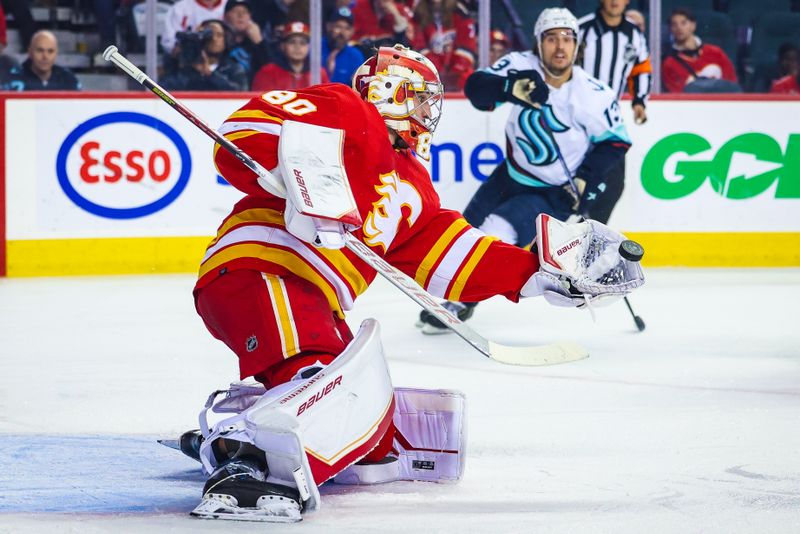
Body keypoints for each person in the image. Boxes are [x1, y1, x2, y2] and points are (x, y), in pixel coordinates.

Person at [187, 43, 642, 521]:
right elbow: (243, 132)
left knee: (370, 430)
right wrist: (307, 180)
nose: (429, 112)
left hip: (316, 299)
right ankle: (251, 461)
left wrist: (537, 273)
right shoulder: (345, 107)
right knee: (318, 378)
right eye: (422, 97)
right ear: (390, 90)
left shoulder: (412, 185)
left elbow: (454, 255)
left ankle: (246, 423)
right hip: (261, 267)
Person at [418, 8, 631, 333]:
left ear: (577, 45)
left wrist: (586, 175)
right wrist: (510, 88)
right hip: (511, 173)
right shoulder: (521, 66)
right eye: (551, 39)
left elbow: (616, 143)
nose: (559, 47)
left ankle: (461, 303)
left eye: (567, 39)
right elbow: (476, 88)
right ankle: (456, 294)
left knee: (496, 231)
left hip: (553, 190)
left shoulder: (594, 94)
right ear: (538, 43)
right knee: (466, 229)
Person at [576, 0, 650, 225]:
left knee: (614, 182)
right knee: (571, 178)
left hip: (610, 119)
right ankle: (574, 227)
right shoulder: (581, 29)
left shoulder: (634, 34)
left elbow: (641, 69)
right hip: (576, 116)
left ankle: (591, 229)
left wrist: (639, 100)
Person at [661, 8, 738, 93]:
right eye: (674, 24)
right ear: (670, 29)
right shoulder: (669, 64)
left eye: (683, 23)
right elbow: (676, 96)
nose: (679, 28)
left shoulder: (716, 52)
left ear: (693, 25)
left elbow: (732, 84)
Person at [160, 19, 249, 91]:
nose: (214, 39)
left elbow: (240, 93)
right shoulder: (184, 66)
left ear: (226, 40)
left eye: (219, 35)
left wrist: (210, 74)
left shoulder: (233, 68)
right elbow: (164, 91)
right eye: (210, 35)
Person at [411, 0, 476, 92]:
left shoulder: (459, 11)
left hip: (456, 70)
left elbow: (467, 45)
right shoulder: (417, 13)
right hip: (429, 71)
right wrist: (435, 69)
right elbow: (418, 45)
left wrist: (455, 71)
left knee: (469, 78)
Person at [251, 21, 330, 92]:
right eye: (292, 42)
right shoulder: (268, 72)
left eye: (302, 43)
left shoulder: (319, 73)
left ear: (308, 47)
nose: (297, 47)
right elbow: (261, 102)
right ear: (283, 46)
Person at [2, 30, 81, 91]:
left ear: (56, 54)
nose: (45, 56)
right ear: (30, 52)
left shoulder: (68, 79)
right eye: (40, 50)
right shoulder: (13, 79)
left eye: (50, 51)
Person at [224, 0, 272, 80]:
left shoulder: (256, 43)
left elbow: (270, 70)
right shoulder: (220, 41)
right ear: (226, 16)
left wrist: (259, 42)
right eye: (235, 11)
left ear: (250, 17)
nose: (241, 15)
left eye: (245, 12)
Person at [161, 0, 228, 55]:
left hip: (227, 59)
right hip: (187, 64)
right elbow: (170, 44)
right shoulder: (180, 8)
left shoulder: (231, 5)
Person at [322, 6, 365, 85]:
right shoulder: (315, 48)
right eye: (338, 26)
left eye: (347, 28)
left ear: (352, 31)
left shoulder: (356, 56)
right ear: (328, 26)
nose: (342, 32)